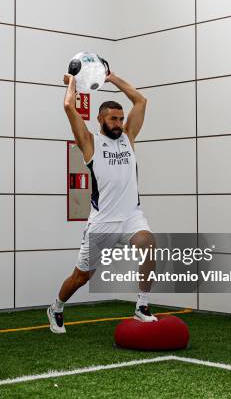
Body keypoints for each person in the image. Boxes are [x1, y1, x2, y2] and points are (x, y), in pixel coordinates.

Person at [47, 72, 158, 334]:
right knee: (81, 277)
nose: (119, 123)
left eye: (121, 118)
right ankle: (57, 307)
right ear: (100, 119)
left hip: (132, 216)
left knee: (149, 244)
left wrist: (111, 78)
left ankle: (142, 307)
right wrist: (73, 82)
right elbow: (68, 106)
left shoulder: (128, 139)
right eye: (113, 118)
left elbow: (141, 101)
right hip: (103, 223)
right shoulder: (90, 143)